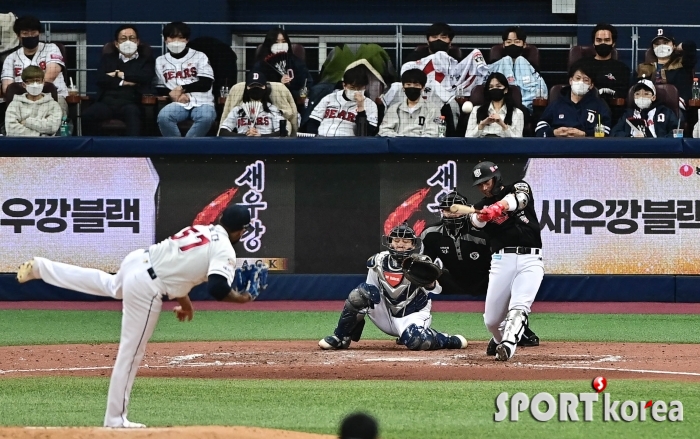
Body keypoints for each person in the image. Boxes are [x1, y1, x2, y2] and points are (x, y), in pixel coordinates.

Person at [16, 205, 264, 428]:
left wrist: (186, 305)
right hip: (147, 285)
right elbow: (218, 288)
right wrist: (240, 298)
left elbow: (179, 274)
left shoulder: (202, 230)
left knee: (111, 285)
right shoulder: (224, 250)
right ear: (240, 231)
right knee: (131, 352)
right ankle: (115, 420)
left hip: (138, 260)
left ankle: (42, 267)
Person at [420, 191, 540, 354]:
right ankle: (416, 325)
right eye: (446, 210)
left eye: (455, 210)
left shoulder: (482, 231)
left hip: (485, 278)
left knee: (508, 286)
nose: (451, 214)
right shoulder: (431, 234)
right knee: (419, 276)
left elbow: (500, 262)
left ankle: (518, 329)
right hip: (454, 279)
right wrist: (426, 277)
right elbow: (425, 262)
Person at [318, 223, 467, 351]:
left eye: (405, 241)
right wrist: (358, 317)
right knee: (361, 294)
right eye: (396, 240)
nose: (400, 244)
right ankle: (341, 337)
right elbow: (371, 288)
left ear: (413, 244)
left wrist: (429, 283)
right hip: (385, 312)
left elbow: (437, 290)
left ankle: (448, 340)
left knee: (417, 340)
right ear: (389, 242)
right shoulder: (378, 261)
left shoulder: (421, 263)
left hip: (412, 314)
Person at [467, 162, 544, 361]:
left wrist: (497, 207)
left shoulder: (518, 186)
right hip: (501, 260)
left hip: (530, 259)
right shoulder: (479, 207)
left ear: (496, 178)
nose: (484, 187)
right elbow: (475, 223)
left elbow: (520, 200)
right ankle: (501, 338)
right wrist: (482, 216)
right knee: (491, 321)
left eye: (487, 182)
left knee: (519, 306)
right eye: (480, 185)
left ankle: (508, 346)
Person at [81, 25, 155, 136]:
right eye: (123, 38)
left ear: (138, 42)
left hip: (131, 103)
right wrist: (123, 82)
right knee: (88, 115)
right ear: (116, 44)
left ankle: (133, 152)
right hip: (106, 103)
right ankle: (93, 151)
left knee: (134, 115)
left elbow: (145, 77)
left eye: (132, 38)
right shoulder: (108, 58)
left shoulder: (145, 60)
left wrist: (119, 74)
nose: (128, 42)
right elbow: (100, 78)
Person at [156, 22, 216, 137]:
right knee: (164, 117)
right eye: (172, 37)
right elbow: (159, 87)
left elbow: (206, 83)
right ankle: (176, 148)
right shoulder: (160, 61)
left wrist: (183, 90)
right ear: (165, 39)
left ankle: (187, 147)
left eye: (180, 37)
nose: (176, 41)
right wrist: (172, 94)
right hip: (178, 103)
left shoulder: (200, 56)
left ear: (187, 40)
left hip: (202, 101)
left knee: (206, 117)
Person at [1, 15, 69, 114]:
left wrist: (34, 91)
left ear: (39, 33)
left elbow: (51, 75)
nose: (30, 36)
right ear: (18, 36)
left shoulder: (51, 48)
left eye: (33, 32)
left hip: (53, 97)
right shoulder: (11, 58)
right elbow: (7, 87)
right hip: (22, 101)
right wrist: (28, 96)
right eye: (25, 33)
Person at [535, 64, 611, 137]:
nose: (581, 82)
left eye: (586, 80)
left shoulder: (599, 105)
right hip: (558, 146)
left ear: (591, 85)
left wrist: (585, 134)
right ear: (571, 81)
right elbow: (540, 128)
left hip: (587, 146)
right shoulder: (557, 104)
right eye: (578, 78)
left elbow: (606, 130)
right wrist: (554, 132)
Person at [306, 65, 379, 137]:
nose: (356, 91)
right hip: (322, 139)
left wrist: (361, 109)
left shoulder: (370, 105)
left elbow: (365, 134)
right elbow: (313, 122)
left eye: (359, 88)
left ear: (365, 87)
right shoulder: (329, 98)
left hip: (348, 144)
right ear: (344, 85)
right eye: (352, 88)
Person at [488, 27, 547, 113]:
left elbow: (542, 91)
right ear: (503, 45)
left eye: (517, 42)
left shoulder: (531, 66)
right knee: (506, 59)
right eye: (508, 42)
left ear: (524, 45)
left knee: (520, 59)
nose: (512, 44)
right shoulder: (496, 64)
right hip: (498, 106)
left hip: (525, 108)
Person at [636, 29, 697, 111]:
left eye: (665, 43)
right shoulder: (643, 67)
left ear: (673, 45)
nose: (661, 46)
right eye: (657, 44)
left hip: (675, 108)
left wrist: (680, 47)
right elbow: (635, 89)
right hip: (649, 107)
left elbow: (691, 46)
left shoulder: (683, 63)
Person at [573, 24, 631, 106]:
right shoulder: (580, 65)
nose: (603, 43)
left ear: (613, 43)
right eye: (599, 40)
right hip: (583, 107)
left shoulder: (622, 69)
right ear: (594, 43)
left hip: (611, 111)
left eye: (607, 40)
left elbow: (622, 94)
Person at [252, 28, 313, 103]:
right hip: (269, 103)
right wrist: (279, 85)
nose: (280, 45)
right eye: (276, 42)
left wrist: (299, 95)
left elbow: (307, 83)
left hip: (294, 102)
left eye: (283, 41)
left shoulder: (297, 62)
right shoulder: (260, 65)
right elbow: (255, 88)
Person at [219, 70, 286, 137]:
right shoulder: (237, 110)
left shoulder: (272, 109)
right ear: (246, 88)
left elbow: (282, 132)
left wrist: (261, 136)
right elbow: (222, 132)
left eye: (259, 85)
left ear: (265, 88)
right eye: (252, 86)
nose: (256, 88)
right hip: (242, 144)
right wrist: (244, 136)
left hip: (265, 144)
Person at [377, 68, 440, 137]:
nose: (412, 87)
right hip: (398, 145)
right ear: (403, 87)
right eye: (408, 84)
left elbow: (433, 133)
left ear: (423, 88)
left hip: (422, 146)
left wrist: (413, 141)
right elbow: (384, 130)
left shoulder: (433, 109)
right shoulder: (394, 108)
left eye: (416, 85)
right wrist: (400, 138)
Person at [4, 65, 62, 136]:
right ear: (24, 84)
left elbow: (53, 127)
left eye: (38, 80)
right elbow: (11, 130)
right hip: (20, 144)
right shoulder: (14, 104)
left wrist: (27, 122)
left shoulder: (53, 105)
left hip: (45, 145)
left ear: (43, 82)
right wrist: (40, 134)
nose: (35, 84)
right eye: (30, 81)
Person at [611, 79, 680, 138]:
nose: (641, 97)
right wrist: (631, 136)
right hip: (634, 149)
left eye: (646, 94)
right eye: (637, 94)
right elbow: (614, 133)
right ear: (634, 97)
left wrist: (660, 142)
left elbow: (678, 133)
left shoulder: (665, 112)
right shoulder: (628, 114)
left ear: (653, 97)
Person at [465, 72, 524, 137]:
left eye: (498, 86)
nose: (494, 89)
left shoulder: (517, 113)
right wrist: (482, 125)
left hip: (504, 145)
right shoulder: (476, 110)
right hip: (482, 144)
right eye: (491, 87)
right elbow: (468, 137)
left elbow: (518, 141)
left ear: (506, 90)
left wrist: (503, 126)